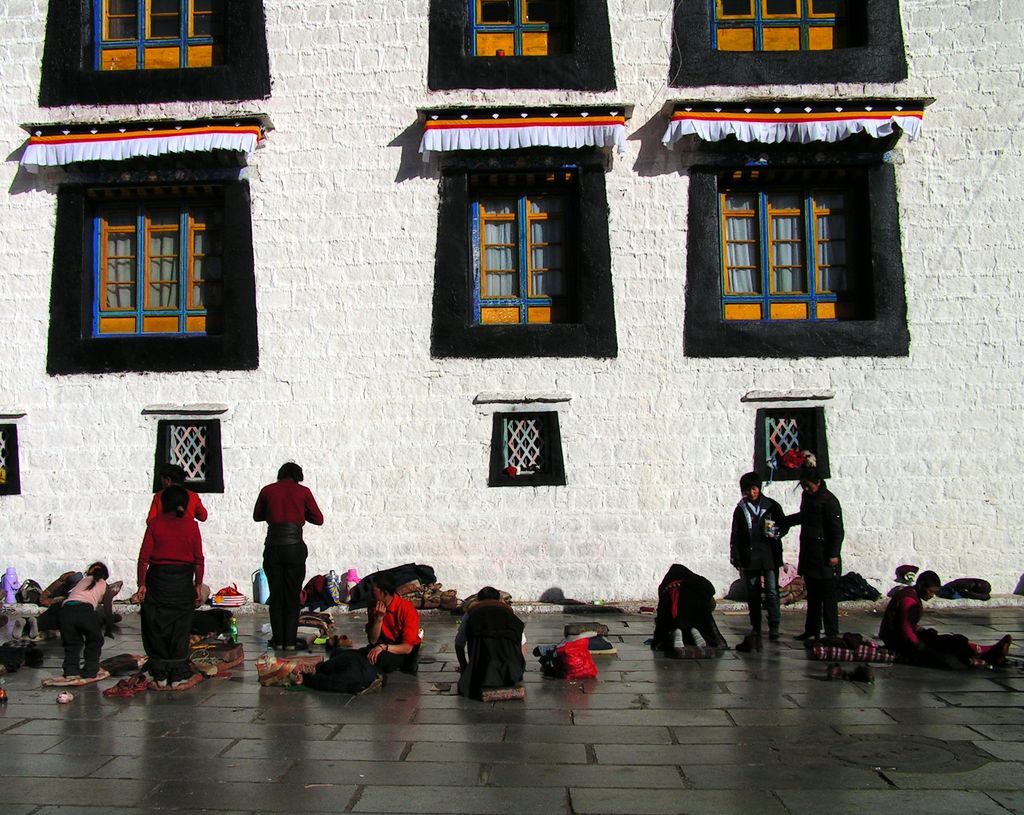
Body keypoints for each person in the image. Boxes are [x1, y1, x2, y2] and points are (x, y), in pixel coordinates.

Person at [137, 485, 206, 688]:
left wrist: (141, 584)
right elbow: (198, 560)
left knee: (154, 624)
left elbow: (143, 559)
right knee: (180, 626)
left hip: (157, 580)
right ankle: (177, 675)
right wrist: (198, 584)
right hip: (182, 581)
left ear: (164, 503)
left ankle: (159, 674)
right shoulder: (191, 526)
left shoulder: (155, 524)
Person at [253, 462, 324, 650]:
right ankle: (290, 642)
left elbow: (257, 516)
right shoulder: (303, 492)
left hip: (273, 546)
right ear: (298, 476)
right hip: (294, 547)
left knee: (276, 595)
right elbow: (319, 519)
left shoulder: (268, 490)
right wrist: (300, 513)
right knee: (292, 595)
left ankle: (278, 640)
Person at [879, 570, 1012, 669]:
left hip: (901, 638)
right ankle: (988, 652)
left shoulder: (911, 594)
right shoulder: (908, 600)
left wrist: (921, 631)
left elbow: (909, 624)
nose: (932, 595)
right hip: (898, 642)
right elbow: (906, 631)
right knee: (952, 644)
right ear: (920, 586)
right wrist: (922, 647)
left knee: (952, 640)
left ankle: (988, 651)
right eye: (931, 591)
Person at [729, 472, 788, 650]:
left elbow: (783, 525)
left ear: (759, 489)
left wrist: (775, 532)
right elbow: (736, 534)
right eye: (748, 490)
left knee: (771, 592)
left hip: (769, 555)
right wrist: (736, 556)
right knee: (753, 593)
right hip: (750, 557)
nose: (751, 493)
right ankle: (756, 626)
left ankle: (774, 625)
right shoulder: (741, 509)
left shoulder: (771, 506)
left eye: (754, 489)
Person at [785, 466, 844, 641]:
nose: (806, 489)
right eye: (803, 486)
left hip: (825, 557)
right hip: (810, 555)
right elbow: (804, 517)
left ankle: (832, 633)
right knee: (813, 597)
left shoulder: (829, 501)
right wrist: (784, 521)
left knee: (828, 598)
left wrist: (833, 553)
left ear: (818, 482)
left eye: (808, 485)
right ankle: (812, 629)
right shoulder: (808, 498)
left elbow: (837, 530)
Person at [455, 586, 526, 699]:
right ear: (498, 599)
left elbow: (459, 644)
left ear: (478, 600)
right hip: (510, 672)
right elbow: (522, 643)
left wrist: (465, 668)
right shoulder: (509, 613)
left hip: (481, 672)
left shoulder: (471, 613)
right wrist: (518, 668)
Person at [651, 564, 728, 652]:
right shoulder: (695, 580)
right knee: (701, 612)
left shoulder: (664, 586)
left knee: (677, 617)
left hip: (671, 617)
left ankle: (677, 631)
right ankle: (696, 631)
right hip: (693, 612)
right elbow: (711, 590)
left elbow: (661, 611)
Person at [57, 562, 111, 682]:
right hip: (85, 611)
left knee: (72, 643)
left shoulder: (82, 581)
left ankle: (71, 671)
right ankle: (90, 671)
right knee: (95, 640)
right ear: (105, 575)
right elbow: (107, 606)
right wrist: (109, 626)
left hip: (66, 611)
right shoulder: (103, 584)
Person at [362, 574, 422, 674]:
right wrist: (378, 619)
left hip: (401, 651)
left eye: (374, 592)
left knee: (377, 660)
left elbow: (407, 648)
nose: (371, 595)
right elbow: (372, 640)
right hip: (381, 646)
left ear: (384, 593)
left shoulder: (406, 609)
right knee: (348, 656)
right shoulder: (374, 607)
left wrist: (383, 647)